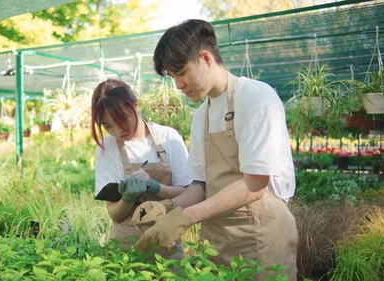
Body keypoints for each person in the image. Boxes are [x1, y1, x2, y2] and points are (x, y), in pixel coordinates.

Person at [133, 19, 298, 280]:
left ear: (206, 58)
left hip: (261, 235)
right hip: (216, 238)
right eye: (173, 77)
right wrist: (168, 206)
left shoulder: (256, 99)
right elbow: (201, 185)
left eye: (181, 72)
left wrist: (185, 217)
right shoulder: (202, 116)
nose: (178, 85)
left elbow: (254, 185)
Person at [91, 78, 192, 259]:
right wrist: (127, 198)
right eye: (107, 125)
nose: (117, 130)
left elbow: (188, 193)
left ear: (135, 106)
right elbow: (114, 214)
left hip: (167, 247)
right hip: (124, 252)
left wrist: (155, 186)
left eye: (122, 119)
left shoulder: (168, 138)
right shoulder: (107, 149)